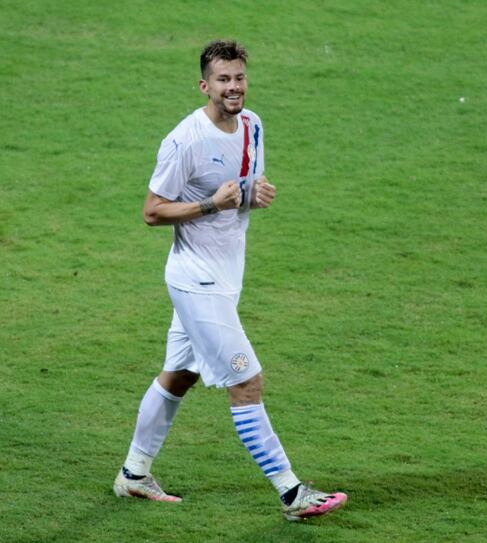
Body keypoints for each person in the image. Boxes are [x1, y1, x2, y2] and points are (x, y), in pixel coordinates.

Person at [113, 39, 347, 522]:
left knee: (180, 374)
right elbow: (153, 212)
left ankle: (134, 474)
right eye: (223, 79)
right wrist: (211, 204)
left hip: (224, 277)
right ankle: (292, 493)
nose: (233, 86)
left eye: (238, 77)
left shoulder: (253, 125)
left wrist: (249, 195)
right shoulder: (185, 140)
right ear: (205, 85)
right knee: (247, 381)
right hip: (196, 281)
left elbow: (239, 187)